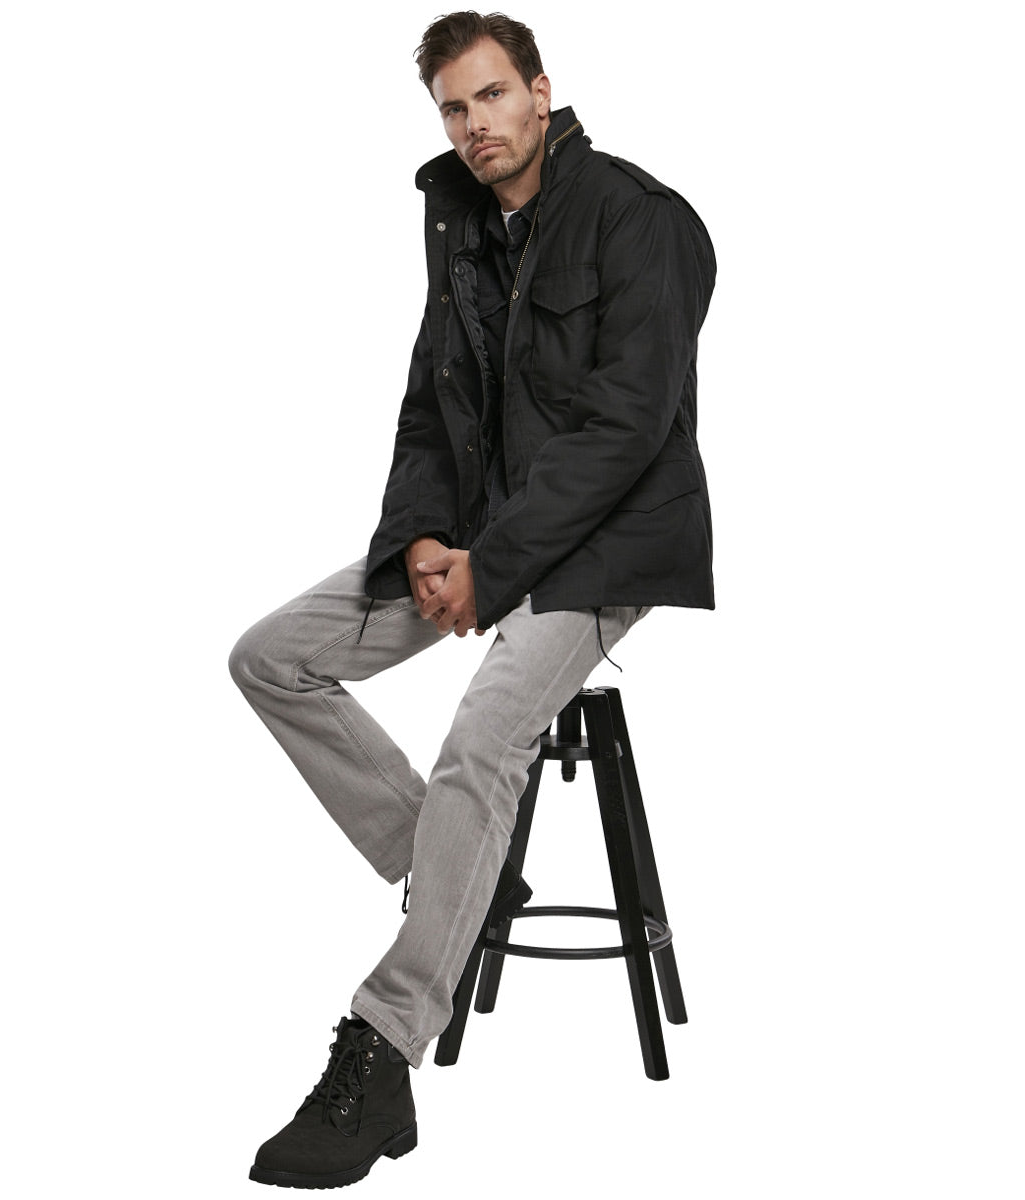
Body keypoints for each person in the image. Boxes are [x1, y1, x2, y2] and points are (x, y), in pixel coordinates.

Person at [229, 10, 716, 1188]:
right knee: (271, 655)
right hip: (480, 537)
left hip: (605, 548)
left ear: (541, 91)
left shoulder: (641, 218)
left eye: (492, 95)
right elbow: (427, 408)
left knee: (481, 740)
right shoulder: (460, 225)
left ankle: (385, 1042)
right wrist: (425, 539)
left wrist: (493, 569)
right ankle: (460, 862)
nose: (474, 124)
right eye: (453, 108)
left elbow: (626, 432)